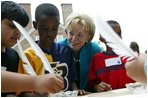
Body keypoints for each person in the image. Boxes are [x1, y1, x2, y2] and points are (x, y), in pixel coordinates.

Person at [1, 1, 64, 97]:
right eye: (13, 26)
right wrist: (36, 82)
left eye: (20, 28)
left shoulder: (14, 56)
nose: (17, 32)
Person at [18, 3, 77, 96]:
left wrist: (77, 92)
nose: (50, 33)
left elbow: (73, 81)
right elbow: (21, 92)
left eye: (54, 28)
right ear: (35, 25)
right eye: (45, 29)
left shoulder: (66, 51)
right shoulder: (28, 56)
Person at [58, 12, 102, 95]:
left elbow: (98, 78)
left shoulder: (94, 49)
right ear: (66, 32)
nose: (74, 38)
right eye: (71, 33)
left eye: (80, 35)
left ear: (88, 36)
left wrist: (97, 86)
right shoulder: (58, 48)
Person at [88, 20, 135, 92]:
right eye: (111, 34)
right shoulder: (96, 59)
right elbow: (91, 85)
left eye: (118, 34)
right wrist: (97, 87)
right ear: (101, 37)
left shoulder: (129, 57)